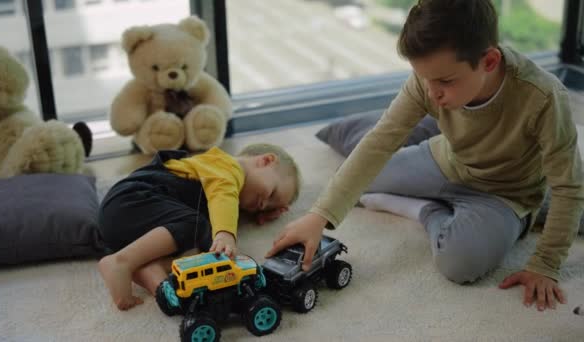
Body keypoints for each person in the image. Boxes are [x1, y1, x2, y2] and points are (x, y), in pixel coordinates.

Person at [267, 0, 583, 312]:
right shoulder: (429, 83)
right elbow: (378, 143)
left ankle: (427, 209)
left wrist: (545, 264)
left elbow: (569, 186)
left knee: (460, 263)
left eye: (444, 81)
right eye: (425, 78)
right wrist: (319, 215)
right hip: (447, 161)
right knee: (359, 174)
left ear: (488, 61)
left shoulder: (543, 97)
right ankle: (421, 141)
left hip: (505, 194)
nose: (432, 92)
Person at [98, 144, 300, 310]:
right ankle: (121, 262)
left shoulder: (235, 191)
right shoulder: (228, 166)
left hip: (129, 224)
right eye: (271, 194)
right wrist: (225, 233)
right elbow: (224, 194)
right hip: (133, 199)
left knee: (206, 244)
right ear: (265, 161)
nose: (263, 204)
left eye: (268, 207)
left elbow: (229, 203)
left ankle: (150, 268)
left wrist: (263, 213)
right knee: (197, 226)